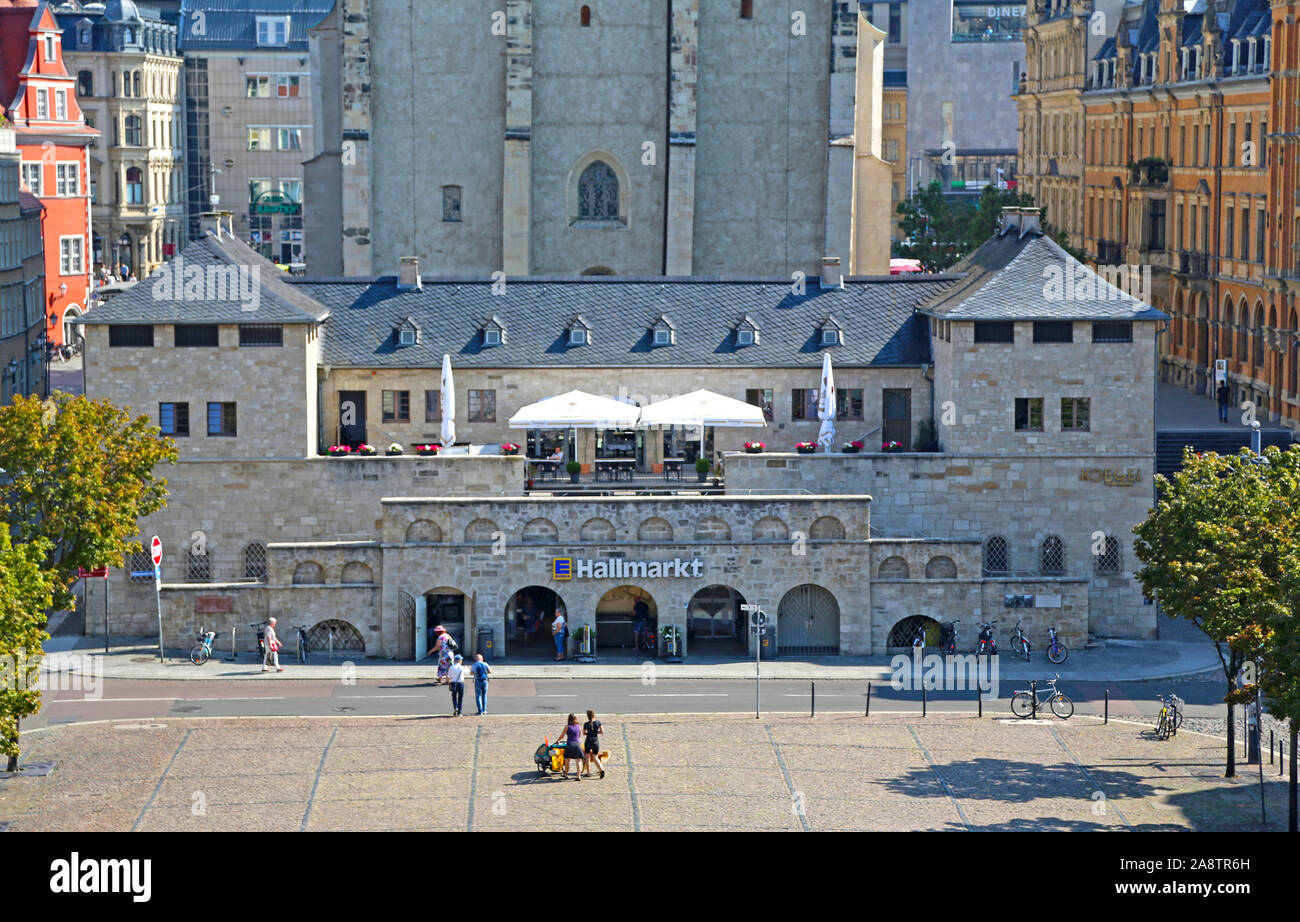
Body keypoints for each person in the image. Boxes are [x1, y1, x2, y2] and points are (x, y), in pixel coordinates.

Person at [557, 713, 584, 780]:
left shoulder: (567, 726)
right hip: (577, 744)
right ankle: (578, 776)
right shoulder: (578, 726)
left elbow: (562, 736)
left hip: (570, 744)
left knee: (567, 760)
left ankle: (566, 774)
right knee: (578, 761)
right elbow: (579, 736)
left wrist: (557, 740)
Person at [582, 709, 604, 778]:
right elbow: (602, 731)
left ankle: (588, 773)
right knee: (595, 757)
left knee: (587, 757)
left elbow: (584, 733)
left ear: (587, 716)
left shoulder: (586, 724)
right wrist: (596, 732)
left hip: (588, 741)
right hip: (595, 741)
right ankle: (601, 770)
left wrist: (589, 733)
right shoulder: (598, 722)